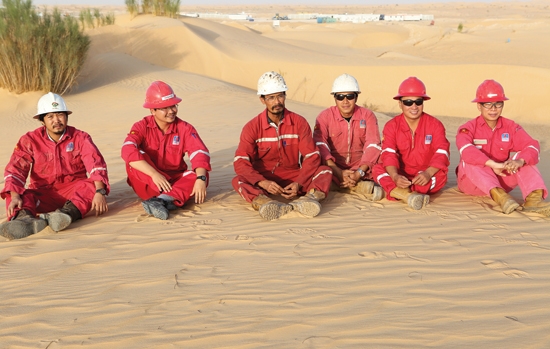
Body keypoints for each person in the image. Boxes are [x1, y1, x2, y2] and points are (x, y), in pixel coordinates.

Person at [0, 93, 109, 240]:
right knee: (18, 195)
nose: (56, 120)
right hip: (43, 195)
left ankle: (65, 215)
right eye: (50, 116)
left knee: (92, 186)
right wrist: (14, 196)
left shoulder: (81, 137)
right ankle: (23, 220)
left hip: (74, 194)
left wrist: (100, 192)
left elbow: (95, 164)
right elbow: (16, 169)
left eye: (60, 115)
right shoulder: (30, 140)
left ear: (66, 116)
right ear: (42, 120)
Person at [232, 71, 332, 221]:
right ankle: (265, 203)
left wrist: (299, 183)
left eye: (280, 96)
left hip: (293, 175)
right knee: (238, 180)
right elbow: (240, 161)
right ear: (262, 100)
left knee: (325, 171)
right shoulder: (252, 127)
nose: (277, 102)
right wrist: (262, 182)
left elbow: (312, 156)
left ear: (285, 96)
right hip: (264, 177)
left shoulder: (299, 122)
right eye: (271, 98)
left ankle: (308, 200)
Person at [456, 79, 550, 216]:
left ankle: (533, 200)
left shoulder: (511, 127)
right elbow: (466, 150)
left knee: (525, 158)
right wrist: (492, 164)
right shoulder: (468, 128)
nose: (493, 109)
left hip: (501, 179)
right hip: (472, 184)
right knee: (470, 159)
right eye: (488, 104)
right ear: (479, 106)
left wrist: (520, 161)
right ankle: (501, 198)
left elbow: (532, 145)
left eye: (498, 104)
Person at [121, 81, 211, 220]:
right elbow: (127, 150)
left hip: (174, 181)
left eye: (174, 106)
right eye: (165, 108)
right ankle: (170, 200)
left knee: (200, 175)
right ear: (152, 110)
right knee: (135, 160)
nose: (171, 111)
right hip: (149, 183)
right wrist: (154, 174)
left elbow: (199, 152)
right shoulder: (141, 127)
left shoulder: (185, 128)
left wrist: (201, 178)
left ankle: (161, 201)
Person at [372, 77, 450, 210]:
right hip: (400, 173)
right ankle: (408, 195)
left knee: (440, 176)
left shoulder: (435, 125)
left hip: (425, 174)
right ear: (400, 103)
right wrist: (395, 176)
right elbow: (388, 154)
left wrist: (428, 173)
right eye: (408, 102)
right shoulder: (391, 126)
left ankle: (392, 192)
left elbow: (442, 152)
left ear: (423, 103)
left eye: (418, 102)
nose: (414, 107)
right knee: (377, 169)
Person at [313, 73, 383, 201]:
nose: (345, 101)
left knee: (383, 159)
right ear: (335, 98)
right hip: (333, 167)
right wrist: (337, 171)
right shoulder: (324, 117)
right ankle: (356, 187)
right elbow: (320, 144)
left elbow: (373, 144)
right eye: (340, 97)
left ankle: (341, 186)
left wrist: (359, 173)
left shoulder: (367, 116)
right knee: (314, 160)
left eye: (349, 96)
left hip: (361, 168)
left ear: (356, 97)